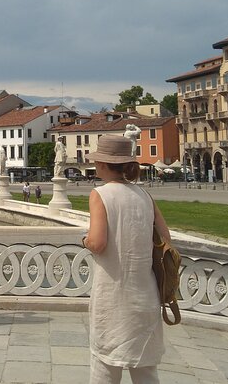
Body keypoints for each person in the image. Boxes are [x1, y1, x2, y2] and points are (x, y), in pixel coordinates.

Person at [83, 135, 170, 383]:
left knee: (105, 366)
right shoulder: (144, 195)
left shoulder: (100, 194)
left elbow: (98, 243)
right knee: (145, 370)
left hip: (114, 295)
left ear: (102, 164)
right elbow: (166, 237)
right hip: (145, 294)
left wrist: (84, 240)